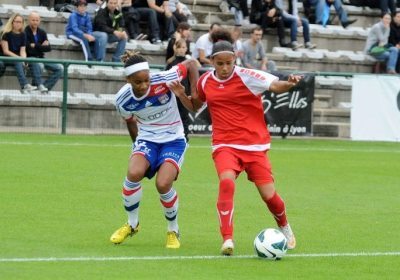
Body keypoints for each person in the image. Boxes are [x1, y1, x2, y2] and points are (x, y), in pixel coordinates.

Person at [174, 40, 300, 256]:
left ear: (235, 60)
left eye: (229, 63)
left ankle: (284, 226)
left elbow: (275, 85)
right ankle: (227, 239)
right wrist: (181, 95)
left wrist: (288, 84)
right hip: (225, 144)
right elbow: (195, 105)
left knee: (269, 196)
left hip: (255, 146)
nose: (224, 68)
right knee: (226, 182)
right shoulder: (205, 81)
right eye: (220, 63)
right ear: (212, 61)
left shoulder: (247, 76)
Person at [109, 50, 199, 248]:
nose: (143, 86)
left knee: (163, 184)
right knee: (134, 172)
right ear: (128, 80)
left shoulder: (164, 78)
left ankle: (173, 230)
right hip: (147, 139)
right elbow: (130, 121)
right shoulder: (122, 100)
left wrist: (194, 91)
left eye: (146, 80)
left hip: (174, 138)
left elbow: (192, 64)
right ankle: (132, 224)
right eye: (137, 82)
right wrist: (137, 147)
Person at [166, 38, 200, 141]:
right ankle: (171, 136)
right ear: (175, 48)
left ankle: (184, 137)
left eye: (184, 47)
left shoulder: (190, 62)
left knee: (184, 116)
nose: (181, 49)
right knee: (172, 116)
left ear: (187, 49)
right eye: (179, 47)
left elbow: (196, 70)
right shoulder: (171, 62)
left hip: (185, 93)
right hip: (172, 94)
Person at [25, 11, 62, 93]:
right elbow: (28, 48)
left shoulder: (42, 32)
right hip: (30, 58)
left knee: (60, 69)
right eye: (33, 20)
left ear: (39, 21)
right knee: (38, 65)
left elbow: (48, 48)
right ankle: (39, 86)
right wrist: (41, 46)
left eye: (37, 20)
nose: (35, 22)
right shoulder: (25, 32)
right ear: (29, 20)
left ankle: (44, 87)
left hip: (41, 58)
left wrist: (35, 45)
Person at [0, 13, 37, 94]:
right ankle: (25, 85)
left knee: (27, 61)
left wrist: (23, 59)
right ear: (12, 22)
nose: (18, 24)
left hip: (15, 59)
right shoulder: (5, 33)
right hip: (4, 58)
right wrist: (19, 58)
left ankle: (31, 86)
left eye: (20, 22)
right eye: (16, 21)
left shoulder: (23, 34)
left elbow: (22, 51)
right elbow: (6, 51)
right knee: (17, 61)